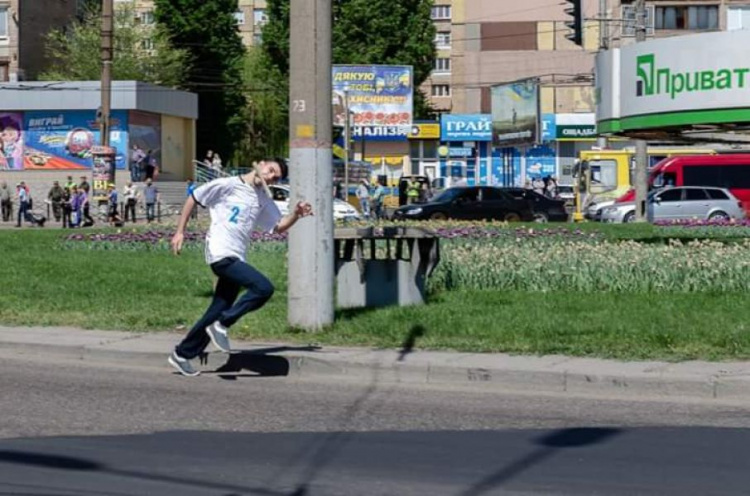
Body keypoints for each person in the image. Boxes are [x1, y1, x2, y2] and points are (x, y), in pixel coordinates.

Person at [168, 158, 313, 377]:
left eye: (277, 177)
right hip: (220, 253)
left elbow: (277, 226)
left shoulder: (262, 198)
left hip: (237, 256)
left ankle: (182, 354)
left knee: (218, 308)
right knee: (263, 288)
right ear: (261, 164)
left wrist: (296, 214)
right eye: (271, 170)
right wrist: (180, 231)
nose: (272, 176)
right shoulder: (227, 185)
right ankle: (223, 324)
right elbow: (194, 197)